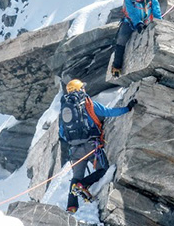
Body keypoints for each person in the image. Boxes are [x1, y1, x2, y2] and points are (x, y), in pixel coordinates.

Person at [59, 79, 137, 213]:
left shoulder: (65, 110)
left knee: (76, 176)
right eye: (82, 87)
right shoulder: (88, 104)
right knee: (103, 170)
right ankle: (82, 185)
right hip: (91, 146)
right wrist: (128, 107)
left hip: (75, 150)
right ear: (80, 89)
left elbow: (62, 133)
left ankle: (71, 207)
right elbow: (109, 112)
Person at [111, 0, 163, 77]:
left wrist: (159, 22)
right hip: (130, 22)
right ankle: (116, 67)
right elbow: (131, 12)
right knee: (121, 40)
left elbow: (156, 10)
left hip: (146, 21)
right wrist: (138, 23)